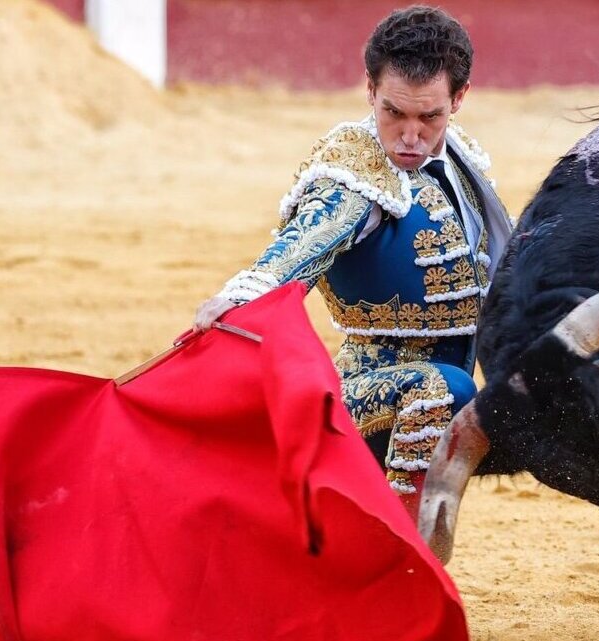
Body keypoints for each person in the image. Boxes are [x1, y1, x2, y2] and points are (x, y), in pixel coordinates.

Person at [194, 6, 511, 519]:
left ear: (459, 99)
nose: (410, 135)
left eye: (429, 116)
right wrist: (239, 297)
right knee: (445, 387)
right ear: (370, 92)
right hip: (359, 403)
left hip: (430, 408)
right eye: (394, 113)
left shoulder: (461, 160)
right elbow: (301, 246)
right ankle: (398, 540)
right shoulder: (352, 175)